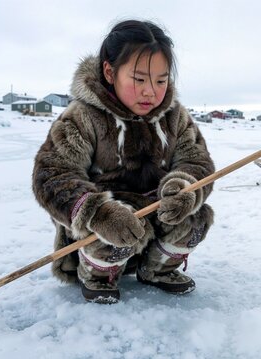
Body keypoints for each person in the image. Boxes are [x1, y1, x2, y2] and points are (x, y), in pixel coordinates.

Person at [32, 20, 215, 304]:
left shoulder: (175, 116)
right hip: (103, 231)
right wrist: (98, 214)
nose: (151, 91)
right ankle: (97, 275)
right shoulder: (82, 116)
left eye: (161, 80)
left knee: (197, 218)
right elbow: (52, 174)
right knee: (107, 231)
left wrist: (184, 189)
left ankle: (157, 269)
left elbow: (197, 161)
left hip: (156, 221)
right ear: (109, 71)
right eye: (139, 79)